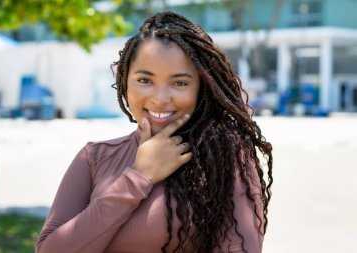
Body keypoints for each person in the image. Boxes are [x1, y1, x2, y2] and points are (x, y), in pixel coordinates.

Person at [36, 11, 273, 253]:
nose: (160, 98)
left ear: (202, 88)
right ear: (125, 82)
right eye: (144, 80)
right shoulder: (94, 158)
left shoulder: (226, 158)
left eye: (179, 83)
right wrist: (138, 177)